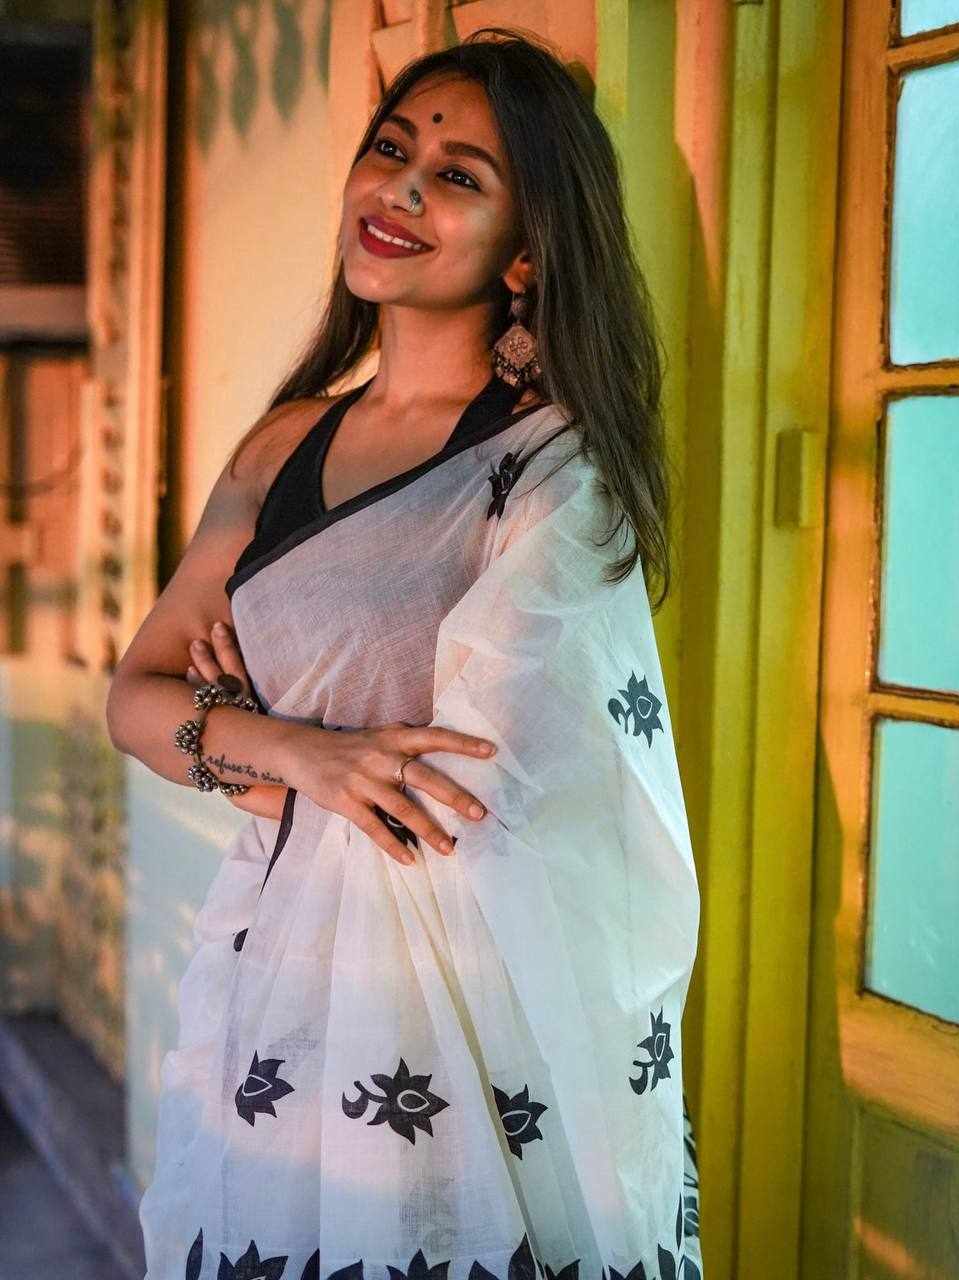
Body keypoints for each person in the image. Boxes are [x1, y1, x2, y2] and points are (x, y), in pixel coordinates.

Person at [106, 27, 702, 1280]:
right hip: (279, 980)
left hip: (471, 1019)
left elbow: (478, 788)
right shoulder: (282, 446)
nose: (402, 187)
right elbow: (135, 697)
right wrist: (297, 751)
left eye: (458, 175)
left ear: (526, 250)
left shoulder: (552, 467)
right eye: (390, 149)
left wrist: (237, 735)